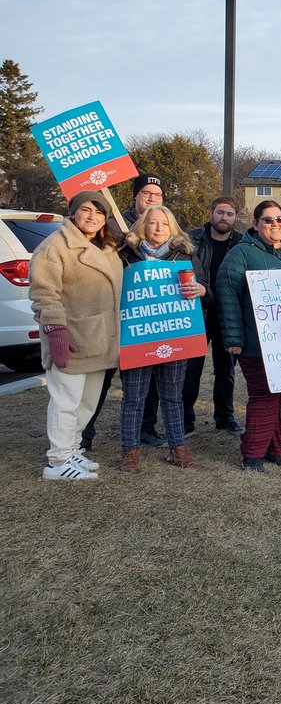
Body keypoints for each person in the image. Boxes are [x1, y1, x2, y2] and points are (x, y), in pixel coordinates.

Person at [216, 200, 281, 471]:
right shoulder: (242, 254)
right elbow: (227, 294)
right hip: (257, 344)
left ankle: (276, 447)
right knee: (265, 396)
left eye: (280, 219)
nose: (276, 224)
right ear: (255, 223)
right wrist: (234, 339)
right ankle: (253, 454)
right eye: (268, 220)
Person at [29, 191, 122, 480]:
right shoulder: (54, 247)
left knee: (87, 403)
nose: (92, 216)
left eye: (99, 212)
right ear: (73, 213)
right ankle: (58, 462)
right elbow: (44, 293)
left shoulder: (107, 247)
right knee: (65, 402)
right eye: (85, 210)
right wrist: (55, 329)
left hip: (99, 338)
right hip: (71, 337)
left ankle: (72, 449)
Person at [82, 173, 168, 450]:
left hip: (148, 317)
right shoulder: (112, 225)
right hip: (114, 312)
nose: (152, 199)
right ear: (136, 197)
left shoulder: (162, 224)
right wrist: (120, 242)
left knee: (151, 375)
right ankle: (84, 433)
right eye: (147, 194)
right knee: (102, 377)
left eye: (158, 196)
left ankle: (145, 427)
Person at [116, 205, 205, 472]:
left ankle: (178, 450)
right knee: (133, 397)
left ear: (173, 228)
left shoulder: (185, 254)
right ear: (142, 225)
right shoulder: (125, 255)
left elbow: (206, 285)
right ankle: (129, 452)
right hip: (137, 336)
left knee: (172, 396)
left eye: (164, 224)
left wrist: (201, 288)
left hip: (174, 335)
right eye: (153, 223)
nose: (158, 228)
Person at [182, 196, 244, 436]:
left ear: (236, 217)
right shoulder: (191, 239)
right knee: (191, 368)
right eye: (220, 212)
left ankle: (225, 417)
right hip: (198, 310)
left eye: (229, 214)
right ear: (211, 213)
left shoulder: (242, 242)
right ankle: (186, 419)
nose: (224, 217)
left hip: (228, 312)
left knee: (226, 368)